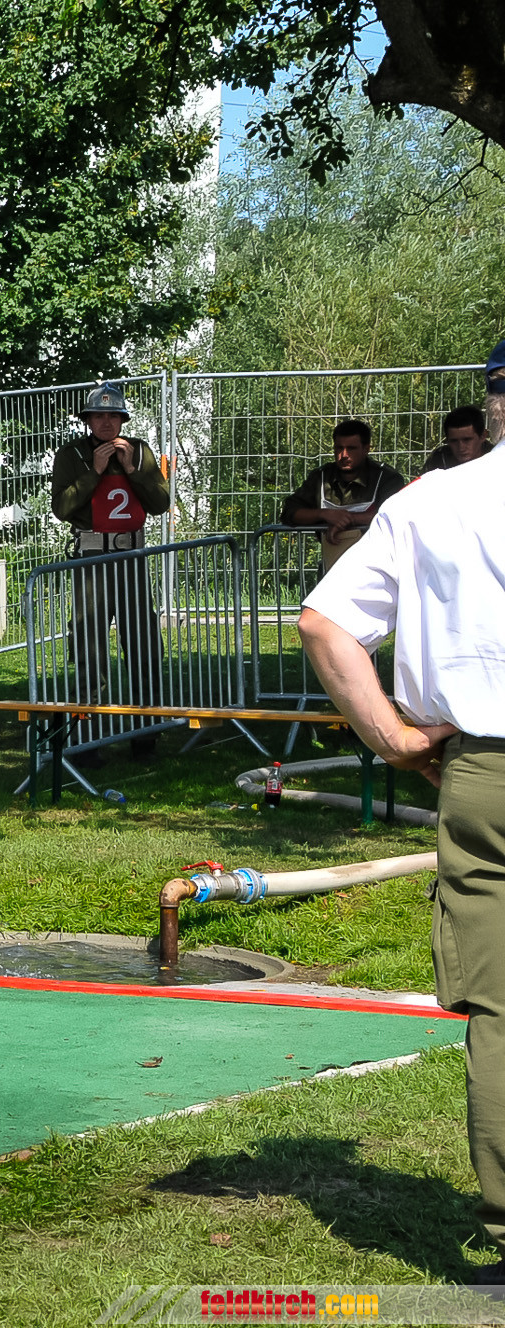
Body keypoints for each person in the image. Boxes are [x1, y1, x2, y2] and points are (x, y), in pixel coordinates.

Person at [297, 443, 504, 1277]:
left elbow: (323, 623)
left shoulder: (432, 502)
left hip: (484, 769)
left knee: (501, 1011)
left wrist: (392, 739)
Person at [49, 381, 172, 761]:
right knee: (90, 647)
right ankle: (87, 737)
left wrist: (133, 469)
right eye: (98, 416)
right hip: (91, 559)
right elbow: (61, 507)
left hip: (132, 557)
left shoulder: (140, 450)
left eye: (113, 415)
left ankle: (146, 734)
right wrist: (94, 472)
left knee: (144, 644)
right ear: (87, 420)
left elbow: (161, 503)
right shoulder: (71, 454)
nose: (106, 422)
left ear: (123, 419)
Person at [280, 418, 405, 572]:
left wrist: (347, 520)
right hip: (332, 565)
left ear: (366, 449)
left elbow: (394, 515)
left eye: (351, 448)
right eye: (339, 448)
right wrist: (324, 514)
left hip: (379, 567)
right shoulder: (321, 477)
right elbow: (290, 512)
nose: (343, 455)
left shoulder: (387, 478)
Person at [417, 405, 492, 476]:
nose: (461, 447)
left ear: (483, 436)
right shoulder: (439, 459)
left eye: (467, 440)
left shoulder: (496, 458)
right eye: (454, 441)